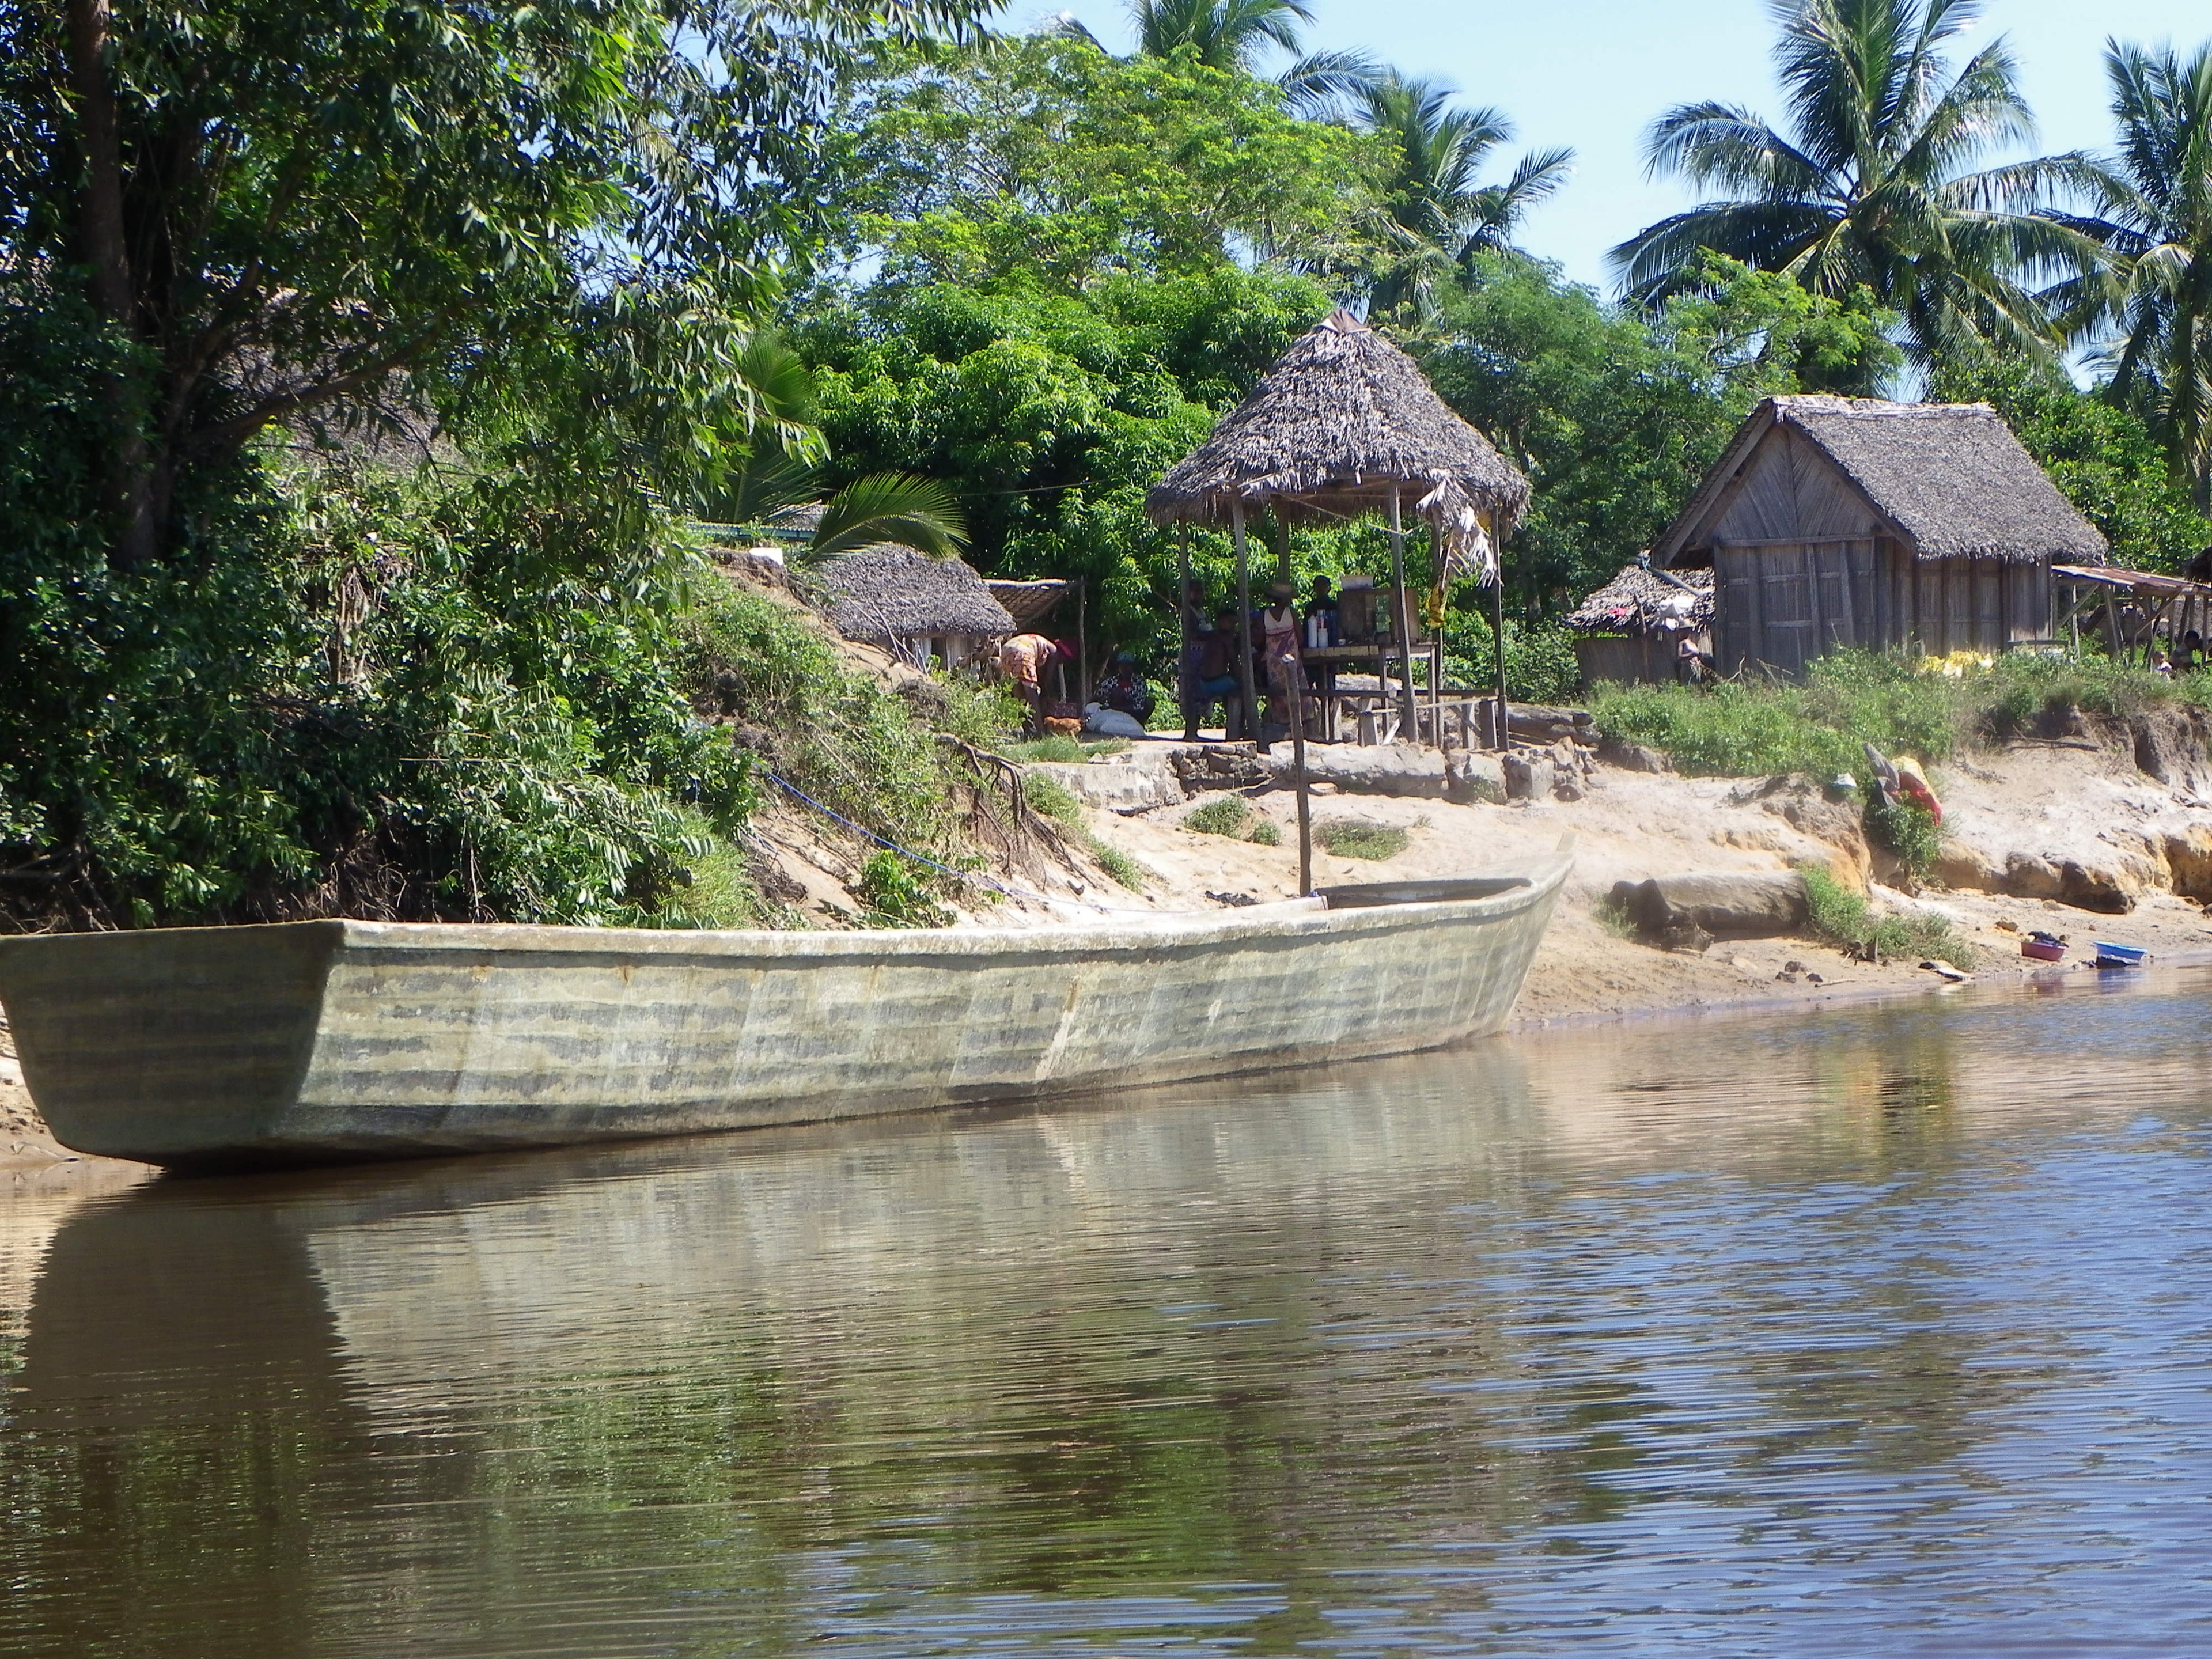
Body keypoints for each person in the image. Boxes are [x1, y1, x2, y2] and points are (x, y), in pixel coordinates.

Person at [997, 632, 1059, 729]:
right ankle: (1040, 731)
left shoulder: (1037, 640)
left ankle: (1026, 729)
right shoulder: (1054, 651)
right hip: (1023, 653)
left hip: (1006, 652)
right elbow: (1048, 677)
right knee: (1033, 696)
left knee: (1019, 697)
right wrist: (1047, 690)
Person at [1098, 650, 1154, 724]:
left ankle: (1140, 723)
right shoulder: (1111, 682)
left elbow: (1138, 705)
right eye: (1122, 665)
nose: (1125, 668)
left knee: (1150, 702)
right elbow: (1099, 697)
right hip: (1113, 711)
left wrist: (1124, 702)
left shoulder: (1139, 682)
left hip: (1132, 712)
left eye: (1128, 665)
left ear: (1133, 666)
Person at [1304, 575, 1339, 650]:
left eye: (1324, 585)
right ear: (1314, 588)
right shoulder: (1310, 607)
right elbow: (1305, 630)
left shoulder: (1335, 605)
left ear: (1329, 588)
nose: (1321, 588)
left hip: (1333, 644)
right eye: (1318, 585)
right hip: (1313, 645)